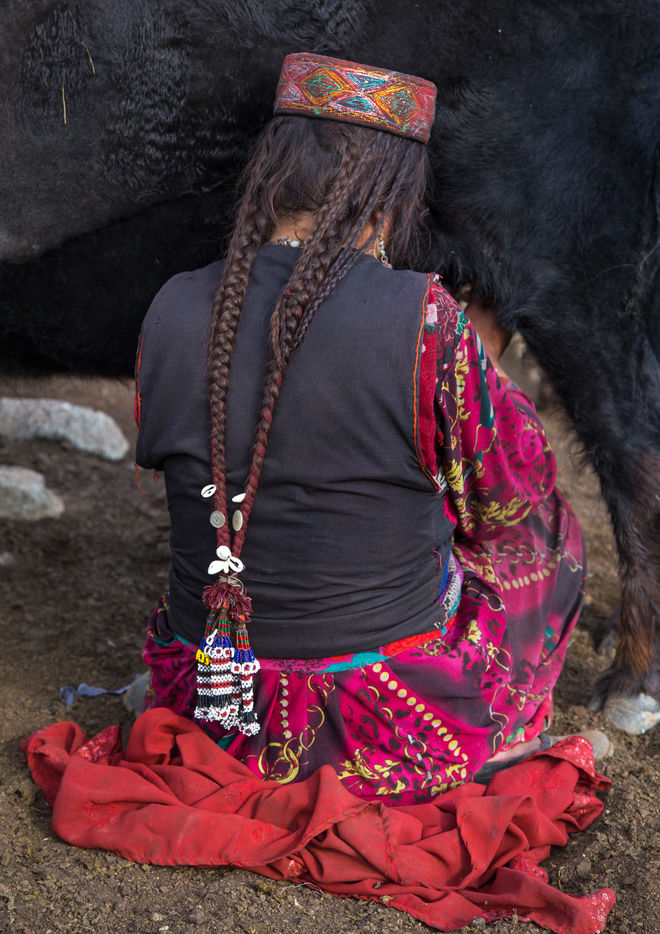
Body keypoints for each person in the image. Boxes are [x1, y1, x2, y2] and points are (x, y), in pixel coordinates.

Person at [134, 52, 608, 805]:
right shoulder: (426, 318)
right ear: (392, 194)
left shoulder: (171, 305)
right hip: (379, 718)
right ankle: (500, 726)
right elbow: (508, 494)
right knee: (544, 533)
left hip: (207, 692)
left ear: (271, 174)